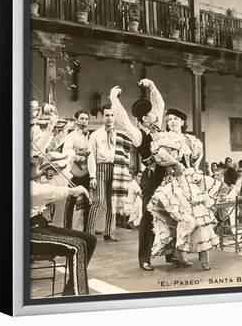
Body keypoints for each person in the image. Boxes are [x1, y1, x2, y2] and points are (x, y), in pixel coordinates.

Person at [109, 79, 176, 271]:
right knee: (148, 216)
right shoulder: (138, 134)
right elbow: (122, 119)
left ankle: (171, 254)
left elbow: (160, 104)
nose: (156, 114)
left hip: (169, 175)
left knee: (172, 212)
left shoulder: (158, 129)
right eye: (152, 114)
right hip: (152, 177)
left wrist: (153, 86)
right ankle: (144, 258)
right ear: (145, 118)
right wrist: (114, 99)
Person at [147, 108, 222, 270]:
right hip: (174, 182)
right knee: (180, 219)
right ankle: (178, 254)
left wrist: (195, 170)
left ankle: (204, 255)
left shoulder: (190, 140)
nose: (172, 121)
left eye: (176, 119)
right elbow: (160, 157)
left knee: (200, 217)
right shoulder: (164, 138)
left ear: (182, 122)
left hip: (190, 181)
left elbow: (195, 161)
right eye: (170, 119)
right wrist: (175, 163)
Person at [30, 156, 97, 295]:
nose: (35, 164)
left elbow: (53, 186)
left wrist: (68, 157)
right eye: (31, 162)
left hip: (40, 225)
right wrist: (71, 191)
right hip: (28, 232)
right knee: (77, 246)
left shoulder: (32, 178)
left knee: (90, 240)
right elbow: (42, 191)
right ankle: (78, 297)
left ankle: (70, 292)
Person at [86, 104, 132, 242]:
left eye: (112, 115)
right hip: (101, 168)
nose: (110, 118)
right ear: (102, 116)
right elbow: (91, 155)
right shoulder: (95, 134)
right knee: (98, 201)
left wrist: (125, 171)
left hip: (116, 168)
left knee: (112, 202)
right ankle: (89, 233)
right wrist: (92, 175)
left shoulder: (120, 135)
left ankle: (108, 233)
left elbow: (126, 154)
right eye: (107, 115)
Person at [62, 109, 91, 231]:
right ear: (77, 120)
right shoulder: (71, 136)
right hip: (75, 171)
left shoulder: (89, 136)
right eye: (82, 118)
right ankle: (67, 228)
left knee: (87, 199)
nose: (84, 121)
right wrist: (78, 156)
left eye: (86, 119)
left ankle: (86, 229)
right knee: (71, 199)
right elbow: (66, 151)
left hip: (87, 171)